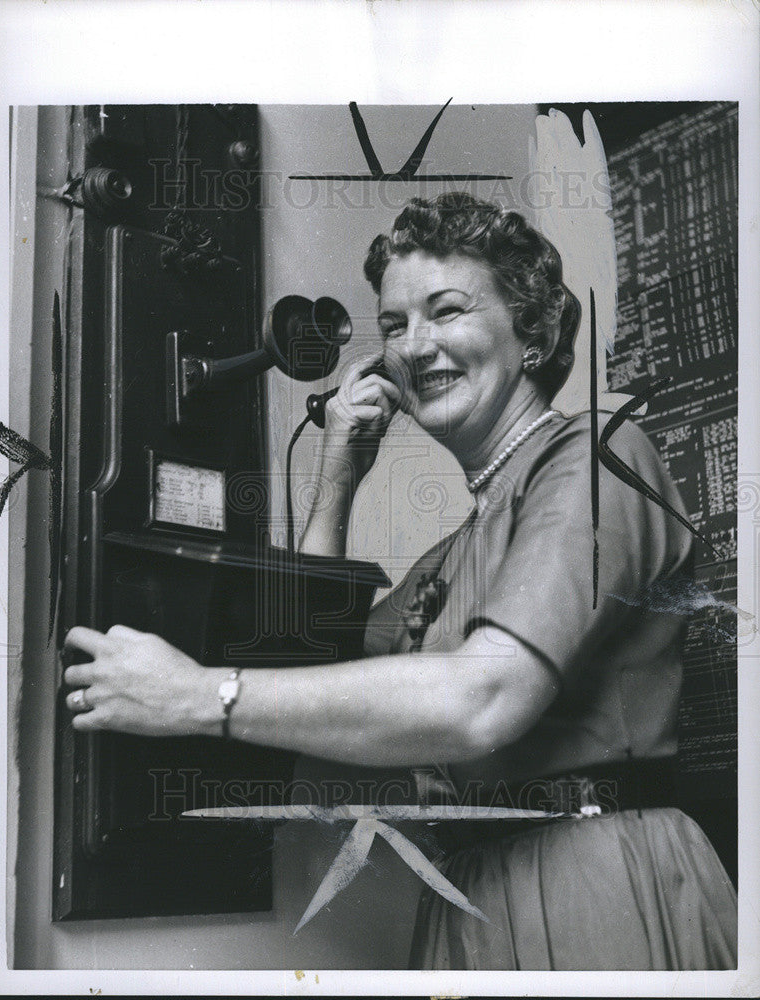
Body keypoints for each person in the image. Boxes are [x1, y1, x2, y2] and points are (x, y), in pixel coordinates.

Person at [63, 193, 737, 970]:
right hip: (474, 887)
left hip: (597, 879)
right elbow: (306, 672)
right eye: (392, 325)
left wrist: (200, 695)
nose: (414, 348)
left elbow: (484, 698)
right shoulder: (453, 552)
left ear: (536, 332)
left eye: (445, 311)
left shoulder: (597, 456)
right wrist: (339, 475)